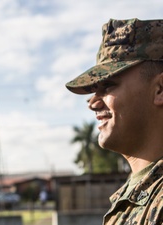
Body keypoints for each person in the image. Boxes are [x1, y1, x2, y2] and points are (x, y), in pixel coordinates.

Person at [65, 18, 163, 224]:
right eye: (94, 90)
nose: (92, 103)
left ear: (160, 89)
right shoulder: (133, 196)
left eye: (108, 86)